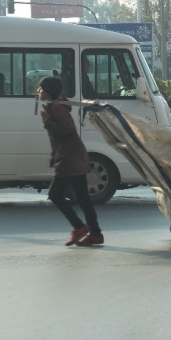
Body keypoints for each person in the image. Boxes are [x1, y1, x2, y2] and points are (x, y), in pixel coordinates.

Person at [37, 76, 104, 247]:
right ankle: (95, 234)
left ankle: (79, 226)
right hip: (73, 154)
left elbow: (67, 129)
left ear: (48, 91)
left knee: (55, 194)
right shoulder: (55, 105)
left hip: (70, 157)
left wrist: (48, 122)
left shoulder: (55, 108)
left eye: (41, 88)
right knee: (82, 198)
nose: (38, 92)